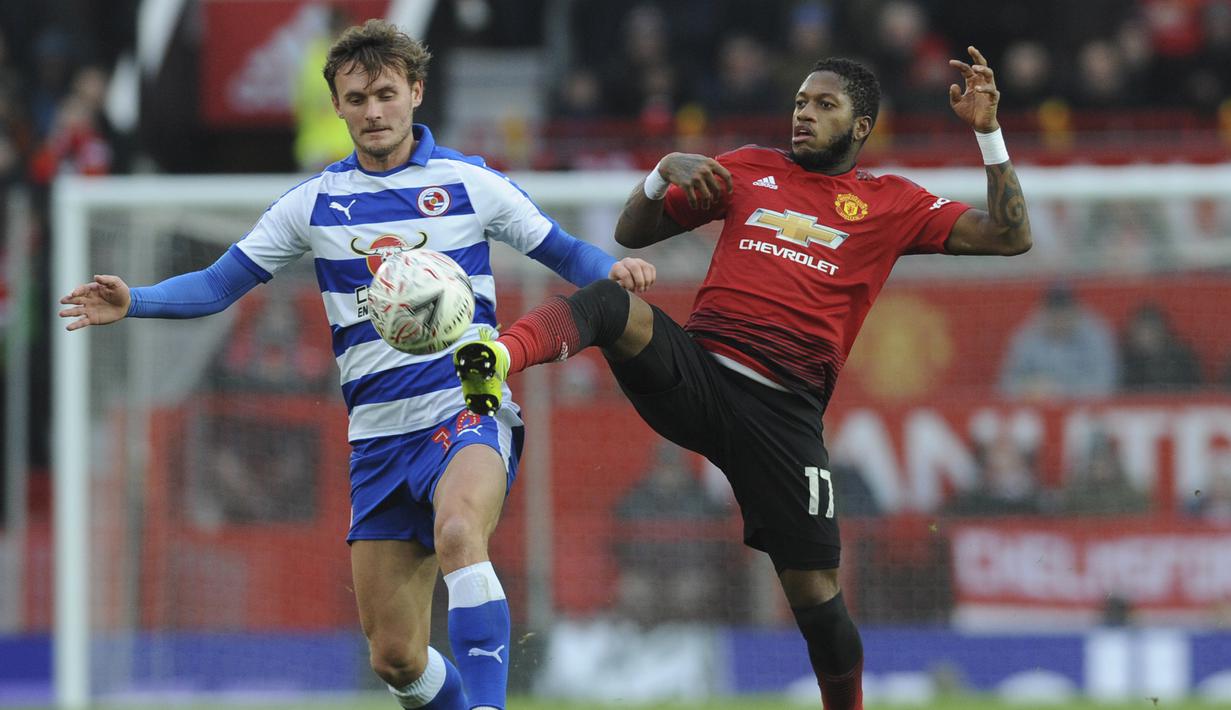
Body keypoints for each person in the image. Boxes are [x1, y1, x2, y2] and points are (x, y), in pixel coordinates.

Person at [57, 19, 655, 710]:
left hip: (465, 409)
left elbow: (560, 251)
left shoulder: (468, 184)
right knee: (397, 658)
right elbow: (221, 284)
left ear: (415, 94)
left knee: (460, 532)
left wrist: (614, 269)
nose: (373, 111)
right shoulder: (311, 205)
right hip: (376, 441)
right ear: (335, 106)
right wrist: (137, 301)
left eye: (385, 94)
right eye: (356, 98)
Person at [453, 47, 1032, 709]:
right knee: (611, 300)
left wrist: (986, 131)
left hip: (783, 419)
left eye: (823, 105)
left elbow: (1008, 237)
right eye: (799, 104)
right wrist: (659, 174)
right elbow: (630, 234)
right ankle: (494, 358)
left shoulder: (891, 202)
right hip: (697, 378)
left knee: (818, 604)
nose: (804, 116)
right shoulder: (749, 169)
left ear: (861, 125)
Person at [999, 283, 1119, 399]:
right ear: (1043, 311)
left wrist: (1060, 391)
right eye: (1053, 310)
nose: (1059, 317)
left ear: (1076, 310)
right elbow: (1006, 385)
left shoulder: (1095, 334)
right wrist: (1030, 389)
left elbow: (1105, 384)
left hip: (1085, 410)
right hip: (1038, 406)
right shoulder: (1027, 336)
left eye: (1064, 310)